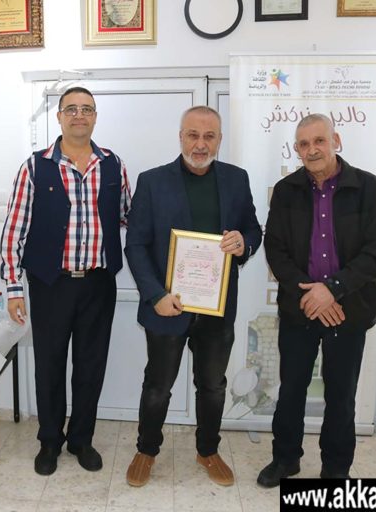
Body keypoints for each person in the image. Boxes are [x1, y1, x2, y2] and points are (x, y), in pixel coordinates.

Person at [124, 106, 262, 487]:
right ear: (181, 137)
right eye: (193, 135)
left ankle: (208, 451)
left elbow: (253, 229)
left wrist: (244, 243)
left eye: (209, 136)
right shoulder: (152, 181)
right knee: (158, 387)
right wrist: (156, 295)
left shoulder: (236, 179)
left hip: (217, 307)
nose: (200, 144)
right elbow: (135, 245)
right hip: (167, 307)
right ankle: (146, 451)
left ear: (219, 139)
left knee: (213, 386)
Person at [0, 86, 131, 476]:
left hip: (98, 284)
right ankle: (50, 441)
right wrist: (13, 287)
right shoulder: (35, 167)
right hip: (50, 285)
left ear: (95, 117)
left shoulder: (113, 165)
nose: (79, 115)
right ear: (58, 117)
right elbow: (14, 231)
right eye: (70, 109)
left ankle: (81, 440)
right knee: (50, 366)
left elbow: (129, 216)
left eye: (86, 109)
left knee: (91, 366)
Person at [257, 114, 376, 487]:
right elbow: (276, 249)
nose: (312, 150)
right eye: (304, 144)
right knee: (291, 390)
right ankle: (285, 460)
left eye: (319, 140)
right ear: (297, 149)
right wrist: (310, 292)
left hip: (349, 309)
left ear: (336, 140)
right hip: (300, 308)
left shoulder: (368, 187)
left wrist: (332, 289)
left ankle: (336, 467)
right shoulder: (286, 190)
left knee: (341, 394)